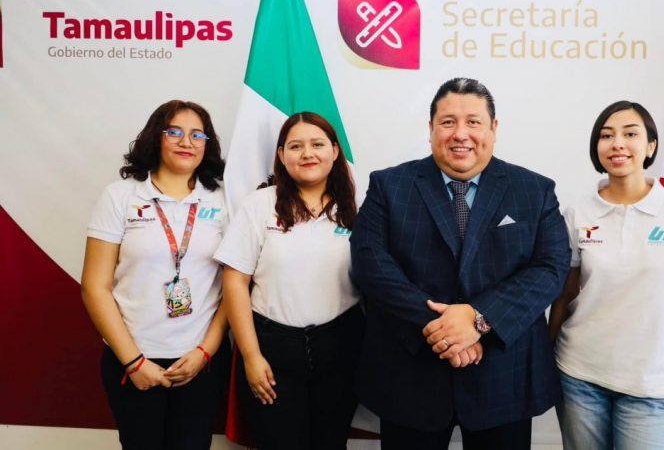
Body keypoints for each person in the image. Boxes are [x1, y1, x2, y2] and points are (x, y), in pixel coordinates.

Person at [350, 77, 570, 450]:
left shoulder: (534, 190)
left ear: (493, 128)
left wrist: (480, 320)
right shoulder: (390, 185)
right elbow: (371, 263)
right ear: (431, 129)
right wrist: (445, 329)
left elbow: (550, 267)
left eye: (473, 122)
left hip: (504, 378)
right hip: (411, 374)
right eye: (448, 122)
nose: (460, 134)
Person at [548, 100, 664, 449]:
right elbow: (563, 294)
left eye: (630, 134)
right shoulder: (578, 212)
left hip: (650, 384)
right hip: (580, 374)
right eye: (606, 135)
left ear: (650, 145)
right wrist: (544, 357)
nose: (617, 143)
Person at [81, 100, 230, 450]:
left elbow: (233, 287)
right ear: (155, 138)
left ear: (208, 144)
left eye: (197, 134)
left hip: (199, 362)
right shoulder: (120, 196)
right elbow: (95, 287)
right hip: (133, 360)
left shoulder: (224, 200)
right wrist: (133, 361)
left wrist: (205, 353)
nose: (186, 142)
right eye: (174, 132)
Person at [215, 112, 362, 450]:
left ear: (335, 151)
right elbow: (235, 282)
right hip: (272, 351)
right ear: (281, 155)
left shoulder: (357, 205)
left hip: (341, 347)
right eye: (295, 146)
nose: (307, 153)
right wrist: (251, 357)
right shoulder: (259, 205)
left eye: (317, 144)